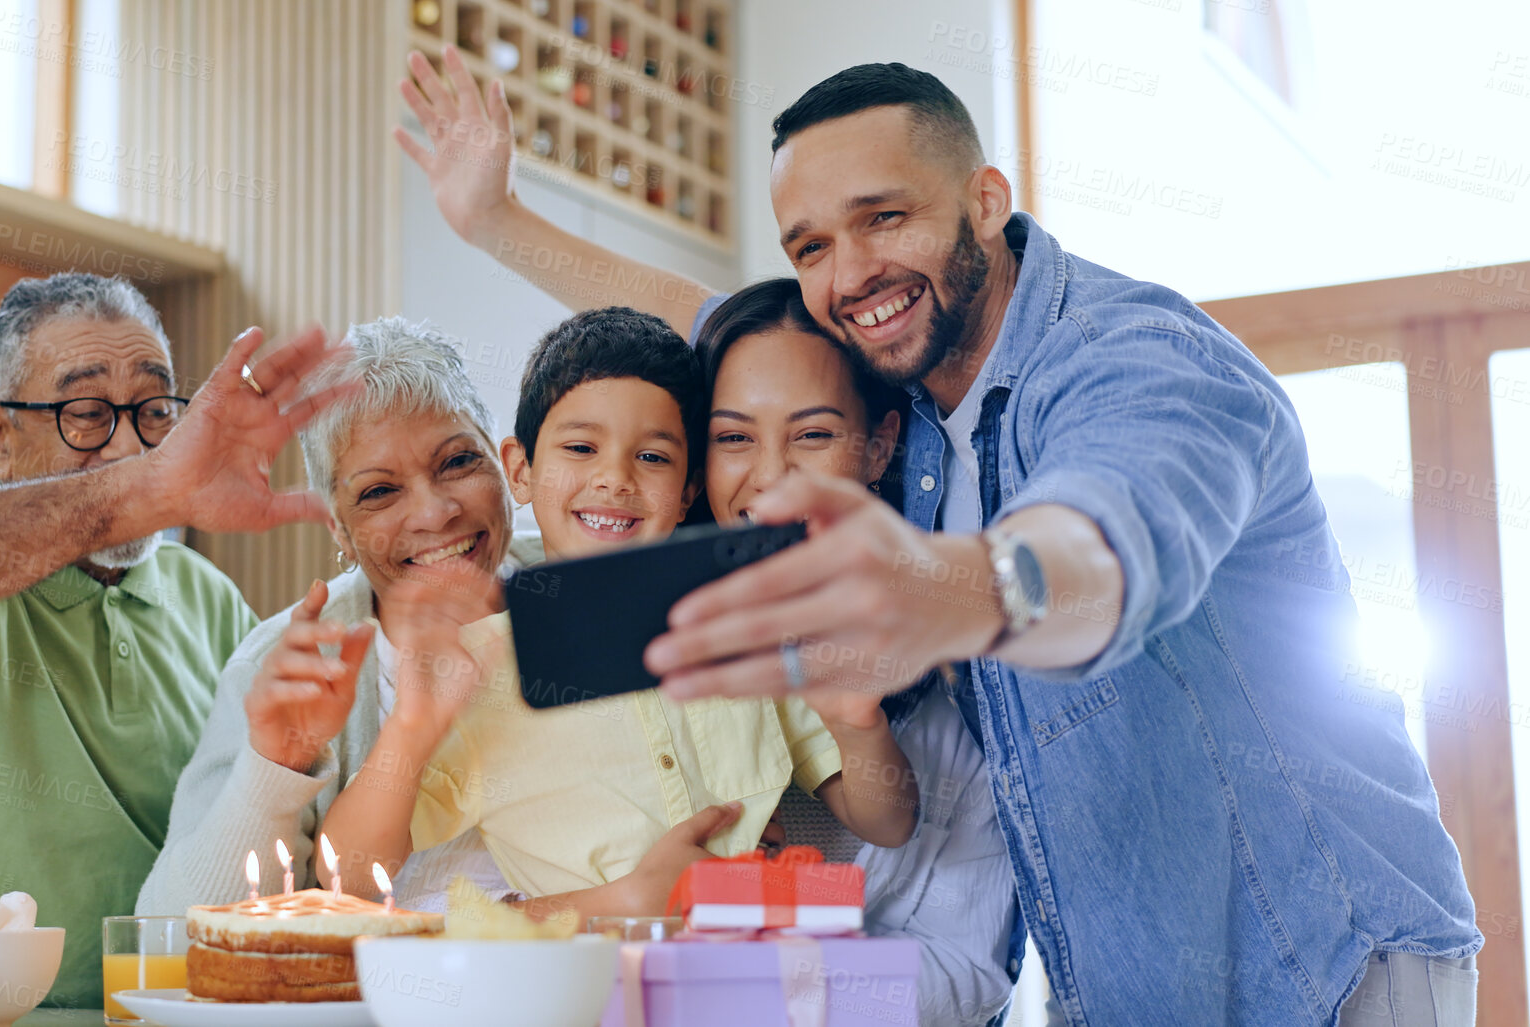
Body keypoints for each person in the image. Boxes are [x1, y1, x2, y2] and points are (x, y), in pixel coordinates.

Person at [400, 49, 1479, 1027]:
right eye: (811, 245)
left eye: (885, 219)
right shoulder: (900, 400)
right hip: (1130, 986)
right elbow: (709, 315)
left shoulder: (1134, 358)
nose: (849, 272)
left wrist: (968, 584)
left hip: (1336, 967)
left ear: (985, 201)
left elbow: (1110, 538)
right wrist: (496, 221)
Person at [0, 272, 353, 1008]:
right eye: (87, 411)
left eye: (154, 410)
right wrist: (153, 487)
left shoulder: (212, 602)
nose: (131, 440)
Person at [138, 317, 745, 919]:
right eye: (378, 492)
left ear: (509, 467)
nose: (434, 513)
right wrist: (278, 766)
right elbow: (174, 934)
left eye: (457, 462)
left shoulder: (595, 576)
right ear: (338, 527)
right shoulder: (286, 667)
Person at [317, 307, 917, 911]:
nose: (614, 479)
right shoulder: (477, 671)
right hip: (584, 991)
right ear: (520, 471)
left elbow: (889, 824)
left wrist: (857, 723)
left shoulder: (746, 632)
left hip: (751, 980)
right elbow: (350, 877)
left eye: (652, 457)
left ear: (688, 491)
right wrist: (411, 730)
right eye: (581, 447)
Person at [699, 278, 1016, 1027]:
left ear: (878, 445)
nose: (770, 479)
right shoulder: (640, 655)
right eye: (732, 437)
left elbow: (967, 973)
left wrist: (730, 979)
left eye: (811, 436)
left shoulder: (958, 697)